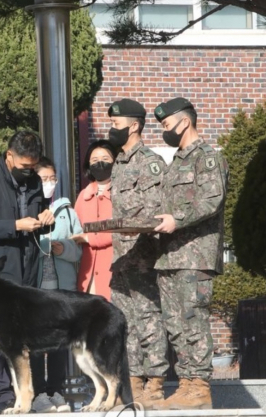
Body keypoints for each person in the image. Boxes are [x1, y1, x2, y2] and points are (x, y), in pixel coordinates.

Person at [0, 131, 55, 415]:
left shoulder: (34, 182)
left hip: (28, 268)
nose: (28, 172)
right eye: (23, 166)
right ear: (9, 156)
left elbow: (39, 220)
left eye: (33, 167)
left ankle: (36, 392)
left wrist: (46, 219)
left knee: (33, 332)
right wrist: (16, 225)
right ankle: (1, 395)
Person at [152, 97, 228, 410]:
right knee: (175, 324)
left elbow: (212, 200)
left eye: (167, 125)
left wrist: (176, 220)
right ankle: (185, 384)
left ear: (184, 122)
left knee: (193, 321)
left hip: (194, 257)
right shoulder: (177, 161)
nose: (164, 132)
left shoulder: (207, 158)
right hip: (169, 257)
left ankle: (199, 387)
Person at [106, 99, 169, 409]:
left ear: (134, 126)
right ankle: (132, 382)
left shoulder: (149, 162)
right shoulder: (119, 163)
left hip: (143, 257)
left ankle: (155, 382)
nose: (111, 130)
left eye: (116, 126)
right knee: (125, 323)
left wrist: (131, 227)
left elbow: (157, 211)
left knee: (148, 319)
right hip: (121, 259)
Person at [29, 157, 83, 414]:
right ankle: (39, 393)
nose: (49, 183)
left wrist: (64, 248)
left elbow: (80, 249)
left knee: (61, 344)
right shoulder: (28, 208)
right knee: (37, 345)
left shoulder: (67, 212)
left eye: (52, 178)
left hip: (62, 289)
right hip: (37, 290)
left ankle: (57, 391)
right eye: (43, 179)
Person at [72, 140, 117, 301]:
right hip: (88, 272)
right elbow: (76, 231)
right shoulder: (84, 196)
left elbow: (124, 229)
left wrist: (90, 238)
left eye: (105, 159)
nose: (100, 163)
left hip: (116, 270)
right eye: (94, 160)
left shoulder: (123, 193)